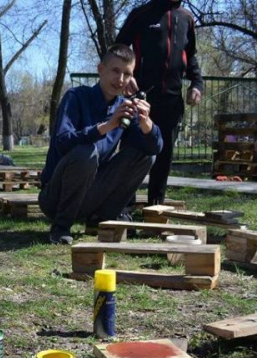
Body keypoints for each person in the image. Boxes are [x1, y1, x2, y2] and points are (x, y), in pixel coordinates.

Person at [39, 44, 163, 245]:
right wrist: (105, 126)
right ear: (100, 69)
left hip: (91, 196)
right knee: (86, 152)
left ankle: (101, 219)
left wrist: (147, 123)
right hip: (55, 197)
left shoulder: (124, 108)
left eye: (127, 74)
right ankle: (61, 226)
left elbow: (154, 148)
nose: (120, 79)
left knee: (146, 155)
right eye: (115, 71)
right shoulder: (76, 97)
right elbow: (62, 143)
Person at [115, 0, 204, 206]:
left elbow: (190, 57)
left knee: (164, 155)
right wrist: (127, 77)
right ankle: (124, 207)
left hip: (172, 100)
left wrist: (197, 84)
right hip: (140, 97)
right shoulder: (141, 14)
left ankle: (155, 207)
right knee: (133, 152)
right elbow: (118, 48)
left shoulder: (187, 18)